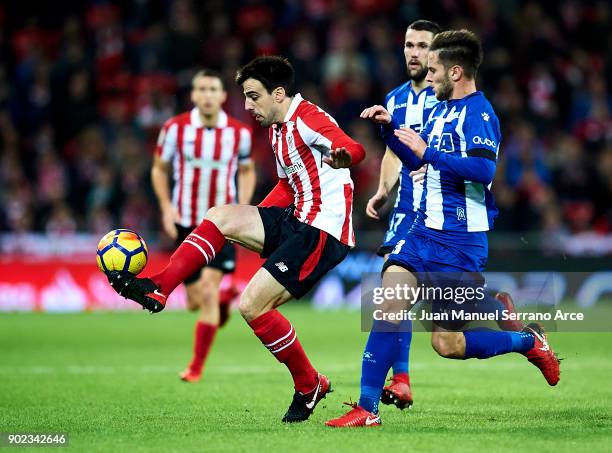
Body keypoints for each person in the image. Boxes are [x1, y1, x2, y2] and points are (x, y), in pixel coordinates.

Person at [108, 56, 365, 423]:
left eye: (253, 96)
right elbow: (285, 185)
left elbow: (353, 148)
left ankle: (309, 385)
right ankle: (160, 286)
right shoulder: (278, 129)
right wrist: (252, 221)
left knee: (251, 306)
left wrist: (344, 157)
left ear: (278, 94)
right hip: (296, 217)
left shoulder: (308, 118)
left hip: (323, 230)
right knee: (220, 216)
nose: (246, 106)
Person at [326, 29, 560, 428]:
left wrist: (429, 152)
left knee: (446, 344)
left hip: (460, 243)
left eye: (433, 70)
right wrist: (388, 131)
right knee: (388, 306)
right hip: (421, 232)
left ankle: (527, 340)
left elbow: (484, 170)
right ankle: (368, 409)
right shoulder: (438, 109)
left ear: (455, 71)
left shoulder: (480, 114)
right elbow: (417, 162)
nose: (427, 77)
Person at [151, 69, 255, 383]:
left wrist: (242, 209)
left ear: (223, 96)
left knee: (208, 291)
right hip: (186, 223)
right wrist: (167, 209)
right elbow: (158, 170)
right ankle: (225, 302)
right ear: (193, 95)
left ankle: (196, 367)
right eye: (202, 89)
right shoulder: (174, 129)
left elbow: (247, 171)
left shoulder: (239, 133)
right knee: (195, 301)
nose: (208, 94)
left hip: (221, 224)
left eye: (213, 89)